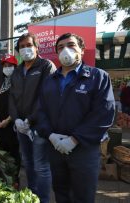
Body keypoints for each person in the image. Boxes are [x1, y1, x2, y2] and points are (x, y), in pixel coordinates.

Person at [35, 33, 115, 203]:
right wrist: (50, 135)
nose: (65, 50)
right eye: (60, 47)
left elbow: (103, 114)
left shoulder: (98, 77)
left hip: (84, 150)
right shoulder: (49, 81)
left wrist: (75, 139)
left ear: (82, 50)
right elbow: (40, 111)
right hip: (56, 148)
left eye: (71, 45)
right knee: (61, 193)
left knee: (83, 196)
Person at [9, 32, 56, 203]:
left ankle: (43, 199)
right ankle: (32, 196)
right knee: (28, 163)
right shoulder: (17, 71)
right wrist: (16, 120)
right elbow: (11, 99)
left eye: (29, 45)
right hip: (21, 126)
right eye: (21, 47)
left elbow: (46, 96)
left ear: (36, 47)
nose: (25, 49)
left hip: (39, 125)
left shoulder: (46, 66)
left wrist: (30, 119)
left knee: (41, 166)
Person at [0, 54, 20, 170]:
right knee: (2, 152)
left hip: (12, 123)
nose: (7, 68)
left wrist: (8, 120)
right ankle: (5, 176)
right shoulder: (1, 81)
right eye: (5, 65)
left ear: (15, 67)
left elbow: (19, 103)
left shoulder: (18, 82)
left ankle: (15, 178)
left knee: (14, 152)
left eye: (10, 65)